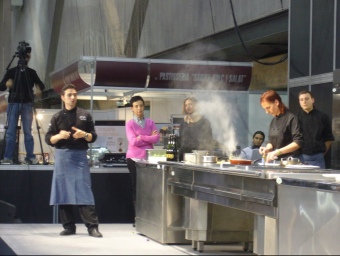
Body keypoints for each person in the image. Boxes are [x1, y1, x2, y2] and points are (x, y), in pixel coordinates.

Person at [45, 84, 102, 238]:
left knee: (84, 190)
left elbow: (93, 137)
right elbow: (48, 138)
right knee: (63, 191)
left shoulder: (85, 114)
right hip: (63, 156)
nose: (73, 97)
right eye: (69, 94)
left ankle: (92, 227)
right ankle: (69, 226)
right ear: (62, 97)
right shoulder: (56, 117)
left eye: (75, 94)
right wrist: (59, 136)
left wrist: (84, 135)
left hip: (79, 157)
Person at [0, 52, 45, 164]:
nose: (25, 58)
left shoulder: (31, 72)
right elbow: (1, 86)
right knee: (10, 132)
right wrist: (7, 84)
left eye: (27, 56)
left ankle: (30, 156)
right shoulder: (12, 72)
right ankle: (8, 157)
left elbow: (41, 85)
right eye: (24, 56)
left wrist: (38, 87)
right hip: (14, 103)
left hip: (27, 103)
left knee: (28, 132)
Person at [126, 95, 160, 225]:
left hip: (148, 158)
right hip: (134, 159)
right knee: (137, 188)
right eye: (136, 106)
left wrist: (141, 137)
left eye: (141, 105)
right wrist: (148, 137)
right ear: (132, 109)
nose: (139, 108)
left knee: (149, 188)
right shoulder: (130, 124)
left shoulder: (150, 122)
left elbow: (156, 139)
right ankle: (138, 217)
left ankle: (149, 217)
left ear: (144, 107)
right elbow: (132, 141)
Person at [259, 90, 304, 162]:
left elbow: (298, 142)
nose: (267, 112)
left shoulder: (291, 118)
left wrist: (278, 152)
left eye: (268, 108)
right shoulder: (273, 121)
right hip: (277, 161)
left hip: (291, 161)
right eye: (265, 109)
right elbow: (271, 141)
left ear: (276, 102)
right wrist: (267, 148)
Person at [297, 90, 334, 168]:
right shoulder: (296, 118)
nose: (304, 102)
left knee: (317, 180)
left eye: (307, 99)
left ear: (312, 100)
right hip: (299, 157)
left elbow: (329, 138)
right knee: (300, 180)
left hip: (317, 157)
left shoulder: (322, 117)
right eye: (301, 100)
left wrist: (321, 153)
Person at [178, 97, 213, 161]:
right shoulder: (183, 122)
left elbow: (209, 141)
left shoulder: (204, 122)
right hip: (184, 157)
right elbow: (180, 139)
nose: (188, 107)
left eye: (190, 104)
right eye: (186, 105)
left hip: (199, 157)